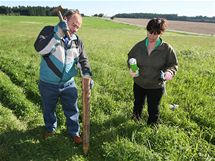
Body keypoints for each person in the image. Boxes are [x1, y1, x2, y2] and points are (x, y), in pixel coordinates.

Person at [34, 9, 93, 144]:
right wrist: (58, 33)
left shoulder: (76, 41)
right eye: (74, 24)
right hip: (48, 83)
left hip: (68, 84)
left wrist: (87, 76)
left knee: (72, 109)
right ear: (65, 19)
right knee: (49, 109)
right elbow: (40, 49)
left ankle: (74, 132)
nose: (76, 29)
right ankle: (50, 128)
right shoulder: (49, 31)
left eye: (78, 27)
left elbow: (83, 60)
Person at [127, 18, 178, 125]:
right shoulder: (139, 46)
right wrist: (131, 68)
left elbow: (173, 64)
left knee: (153, 108)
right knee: (137, 104)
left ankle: (152, 127)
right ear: (147, 30)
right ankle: (135, 121)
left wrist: (170, 72)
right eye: (150, 33)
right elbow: (130, 58)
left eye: (156, 34)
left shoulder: (166, 49)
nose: (152, 36)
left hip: (156, 85)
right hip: (139, 83)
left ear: (161, 33)